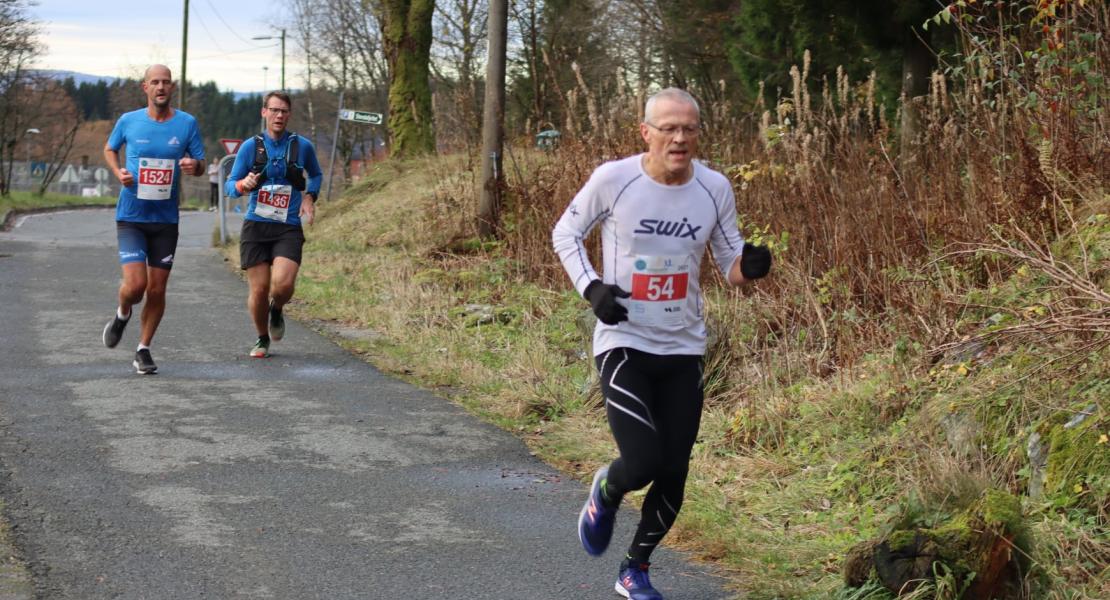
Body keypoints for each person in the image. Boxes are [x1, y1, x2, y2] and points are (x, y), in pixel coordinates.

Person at [552, 88, 771, 600]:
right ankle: (606, 490)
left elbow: (730, 262)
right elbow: (565, 234)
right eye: (669, 128)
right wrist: (592, 288)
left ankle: (635, 570)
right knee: (643, 461)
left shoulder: (714, 188)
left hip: (683, 346)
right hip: (624, 340)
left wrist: (751, 267)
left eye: (689, 129)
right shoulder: (615, 179)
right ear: (645, 132)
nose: (679, 138)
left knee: (674, 470)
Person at [101, 64, 206, 374]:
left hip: (165, 220)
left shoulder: (186, 123)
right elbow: (110, 148)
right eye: (155, 82)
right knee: (136, 286)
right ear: (145, 87)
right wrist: (118, 171)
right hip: (132, 216)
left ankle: (143, 349)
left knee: (157, 289)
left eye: (166, 82)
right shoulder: (129, 120)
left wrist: (194, 166)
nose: (161, 87)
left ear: (172, 87)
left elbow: (200, 162)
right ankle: (123, 313)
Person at [225, 91, 322, 359]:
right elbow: (229, 186)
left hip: (287, 226)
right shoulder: (250, 147)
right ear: (264, 112)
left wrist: (310, 197)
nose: (279, 115)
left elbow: (315, 174)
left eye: (284, 111)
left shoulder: (302, 146)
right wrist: (242, 184)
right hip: (256, 226)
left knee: (282, 285)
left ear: (289, 115)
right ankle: (262, 337)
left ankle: (277, 308)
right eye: (274, 110)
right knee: (258, 290)